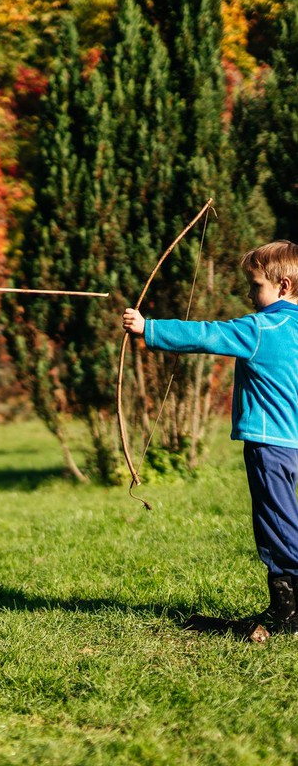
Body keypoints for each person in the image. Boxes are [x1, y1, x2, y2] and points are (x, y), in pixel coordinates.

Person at [122, 240, 298, 633]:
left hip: (270, 445)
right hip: (294, 444)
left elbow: (206, 335)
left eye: (255, 287)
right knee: (285, 517)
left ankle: (288, 611)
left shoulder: (261, 327)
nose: (250, 295)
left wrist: (148, 328)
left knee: (276, 522)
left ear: (283, 286)